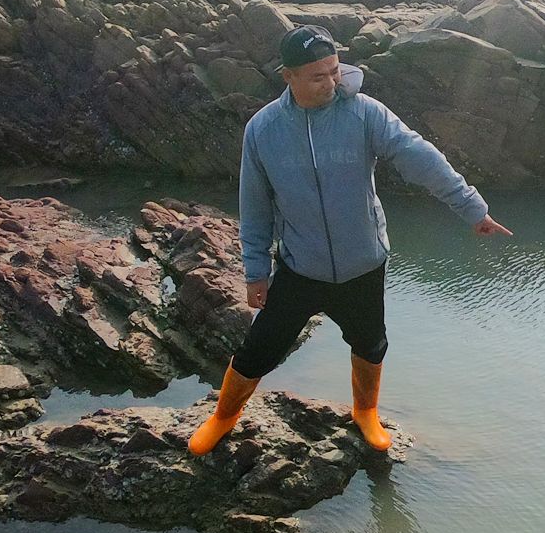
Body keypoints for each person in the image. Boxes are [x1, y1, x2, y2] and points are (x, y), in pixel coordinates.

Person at [188, 24, 512, 455]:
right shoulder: (263, 130)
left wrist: (471, 208)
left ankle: (365, 413)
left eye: (335, 70)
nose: (332, 82)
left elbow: (420, 157)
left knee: (370, 343)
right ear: (289, 76)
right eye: (318, 76)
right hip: (300, 268)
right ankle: (223, 416)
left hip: (364, 265)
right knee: (258, 351)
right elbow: (256, 207)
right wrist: (255, 271)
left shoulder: (364, 113)